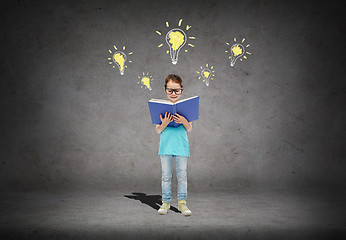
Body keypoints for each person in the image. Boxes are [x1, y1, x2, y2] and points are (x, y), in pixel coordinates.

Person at [156, 74, 192, 216]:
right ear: (165, 90)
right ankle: (165, 203)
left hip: (182, 147)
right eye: (170, 90)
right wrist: (164, 123)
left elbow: (189, 128)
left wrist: (183, 120)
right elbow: (158, 130)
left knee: (182, 175)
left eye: (176, 91)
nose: (173, 94)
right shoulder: (161, 108)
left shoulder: (186, 108)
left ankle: (182, 203)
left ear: (181, 90)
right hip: (165, 147)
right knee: (166, 175)